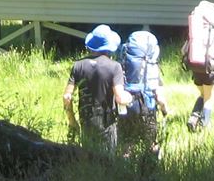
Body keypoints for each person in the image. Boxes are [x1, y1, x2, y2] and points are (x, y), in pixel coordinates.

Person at [63, 24, 132, 153]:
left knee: (88, 156)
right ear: (109, 48)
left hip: (86, 119)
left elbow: (67, 97)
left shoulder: (78, 65)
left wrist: (72, 121)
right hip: (107, 121)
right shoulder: (114, 67)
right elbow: (120, 98)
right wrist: (129, 96)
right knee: (108, 160)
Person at [119, 30, 169, 158]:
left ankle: (124, 169)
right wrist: (164, 110)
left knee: (128, 143)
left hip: (127, 106)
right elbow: (160, 97)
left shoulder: (124, 63)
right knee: (151, 143)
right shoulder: (152, 67)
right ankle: (152, 169)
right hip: (147, 106)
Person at [183, 11, 214, 132]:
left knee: (203, 94)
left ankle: (194, 117)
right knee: (209, 98)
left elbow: (183, 50)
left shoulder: (195, 33)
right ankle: (204, 125)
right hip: (210, 69)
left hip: (195, 69)